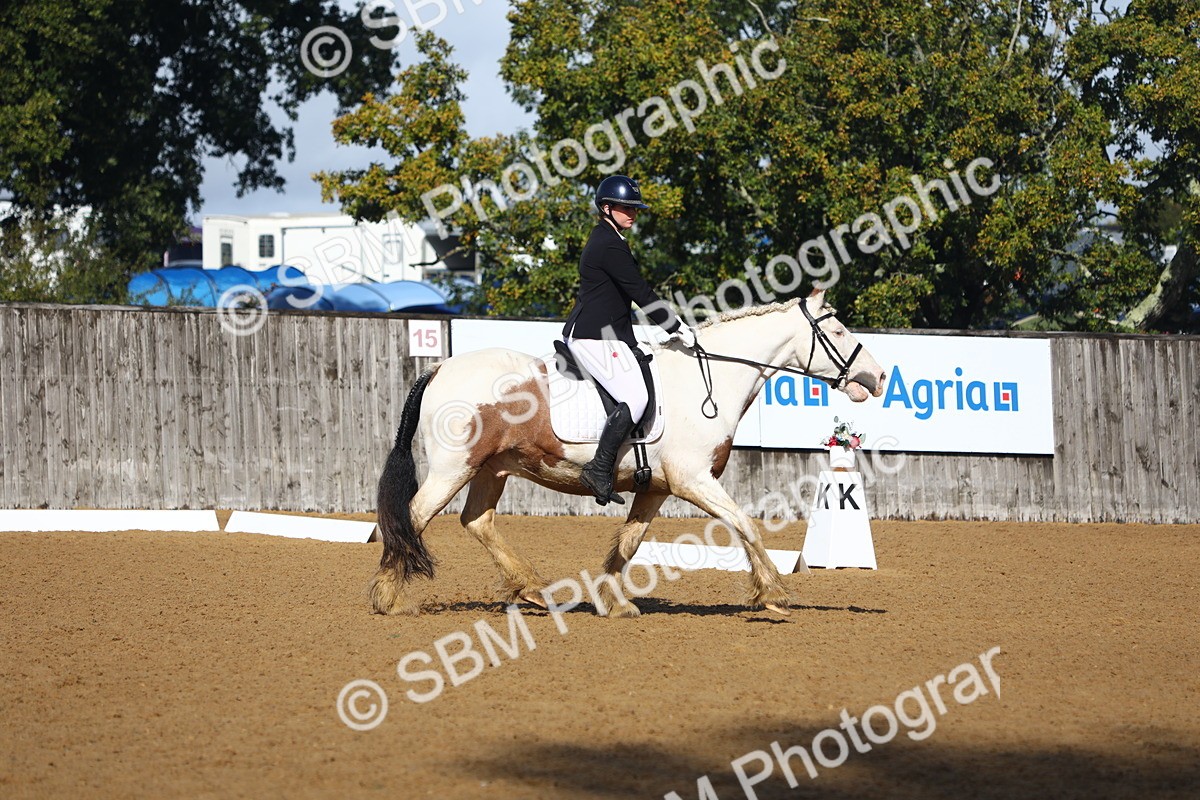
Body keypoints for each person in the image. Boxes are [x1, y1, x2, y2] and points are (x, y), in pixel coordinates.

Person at [561, 175, 698, 506]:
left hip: (609, 335)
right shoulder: (609, 244)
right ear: (607, 208)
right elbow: (639, 292)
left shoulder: (611, 238)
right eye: (627, 208)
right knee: (636, 400)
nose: (633, 213)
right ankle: (599, 469)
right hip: (594, 336)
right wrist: (675, 326)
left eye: (635, 208)